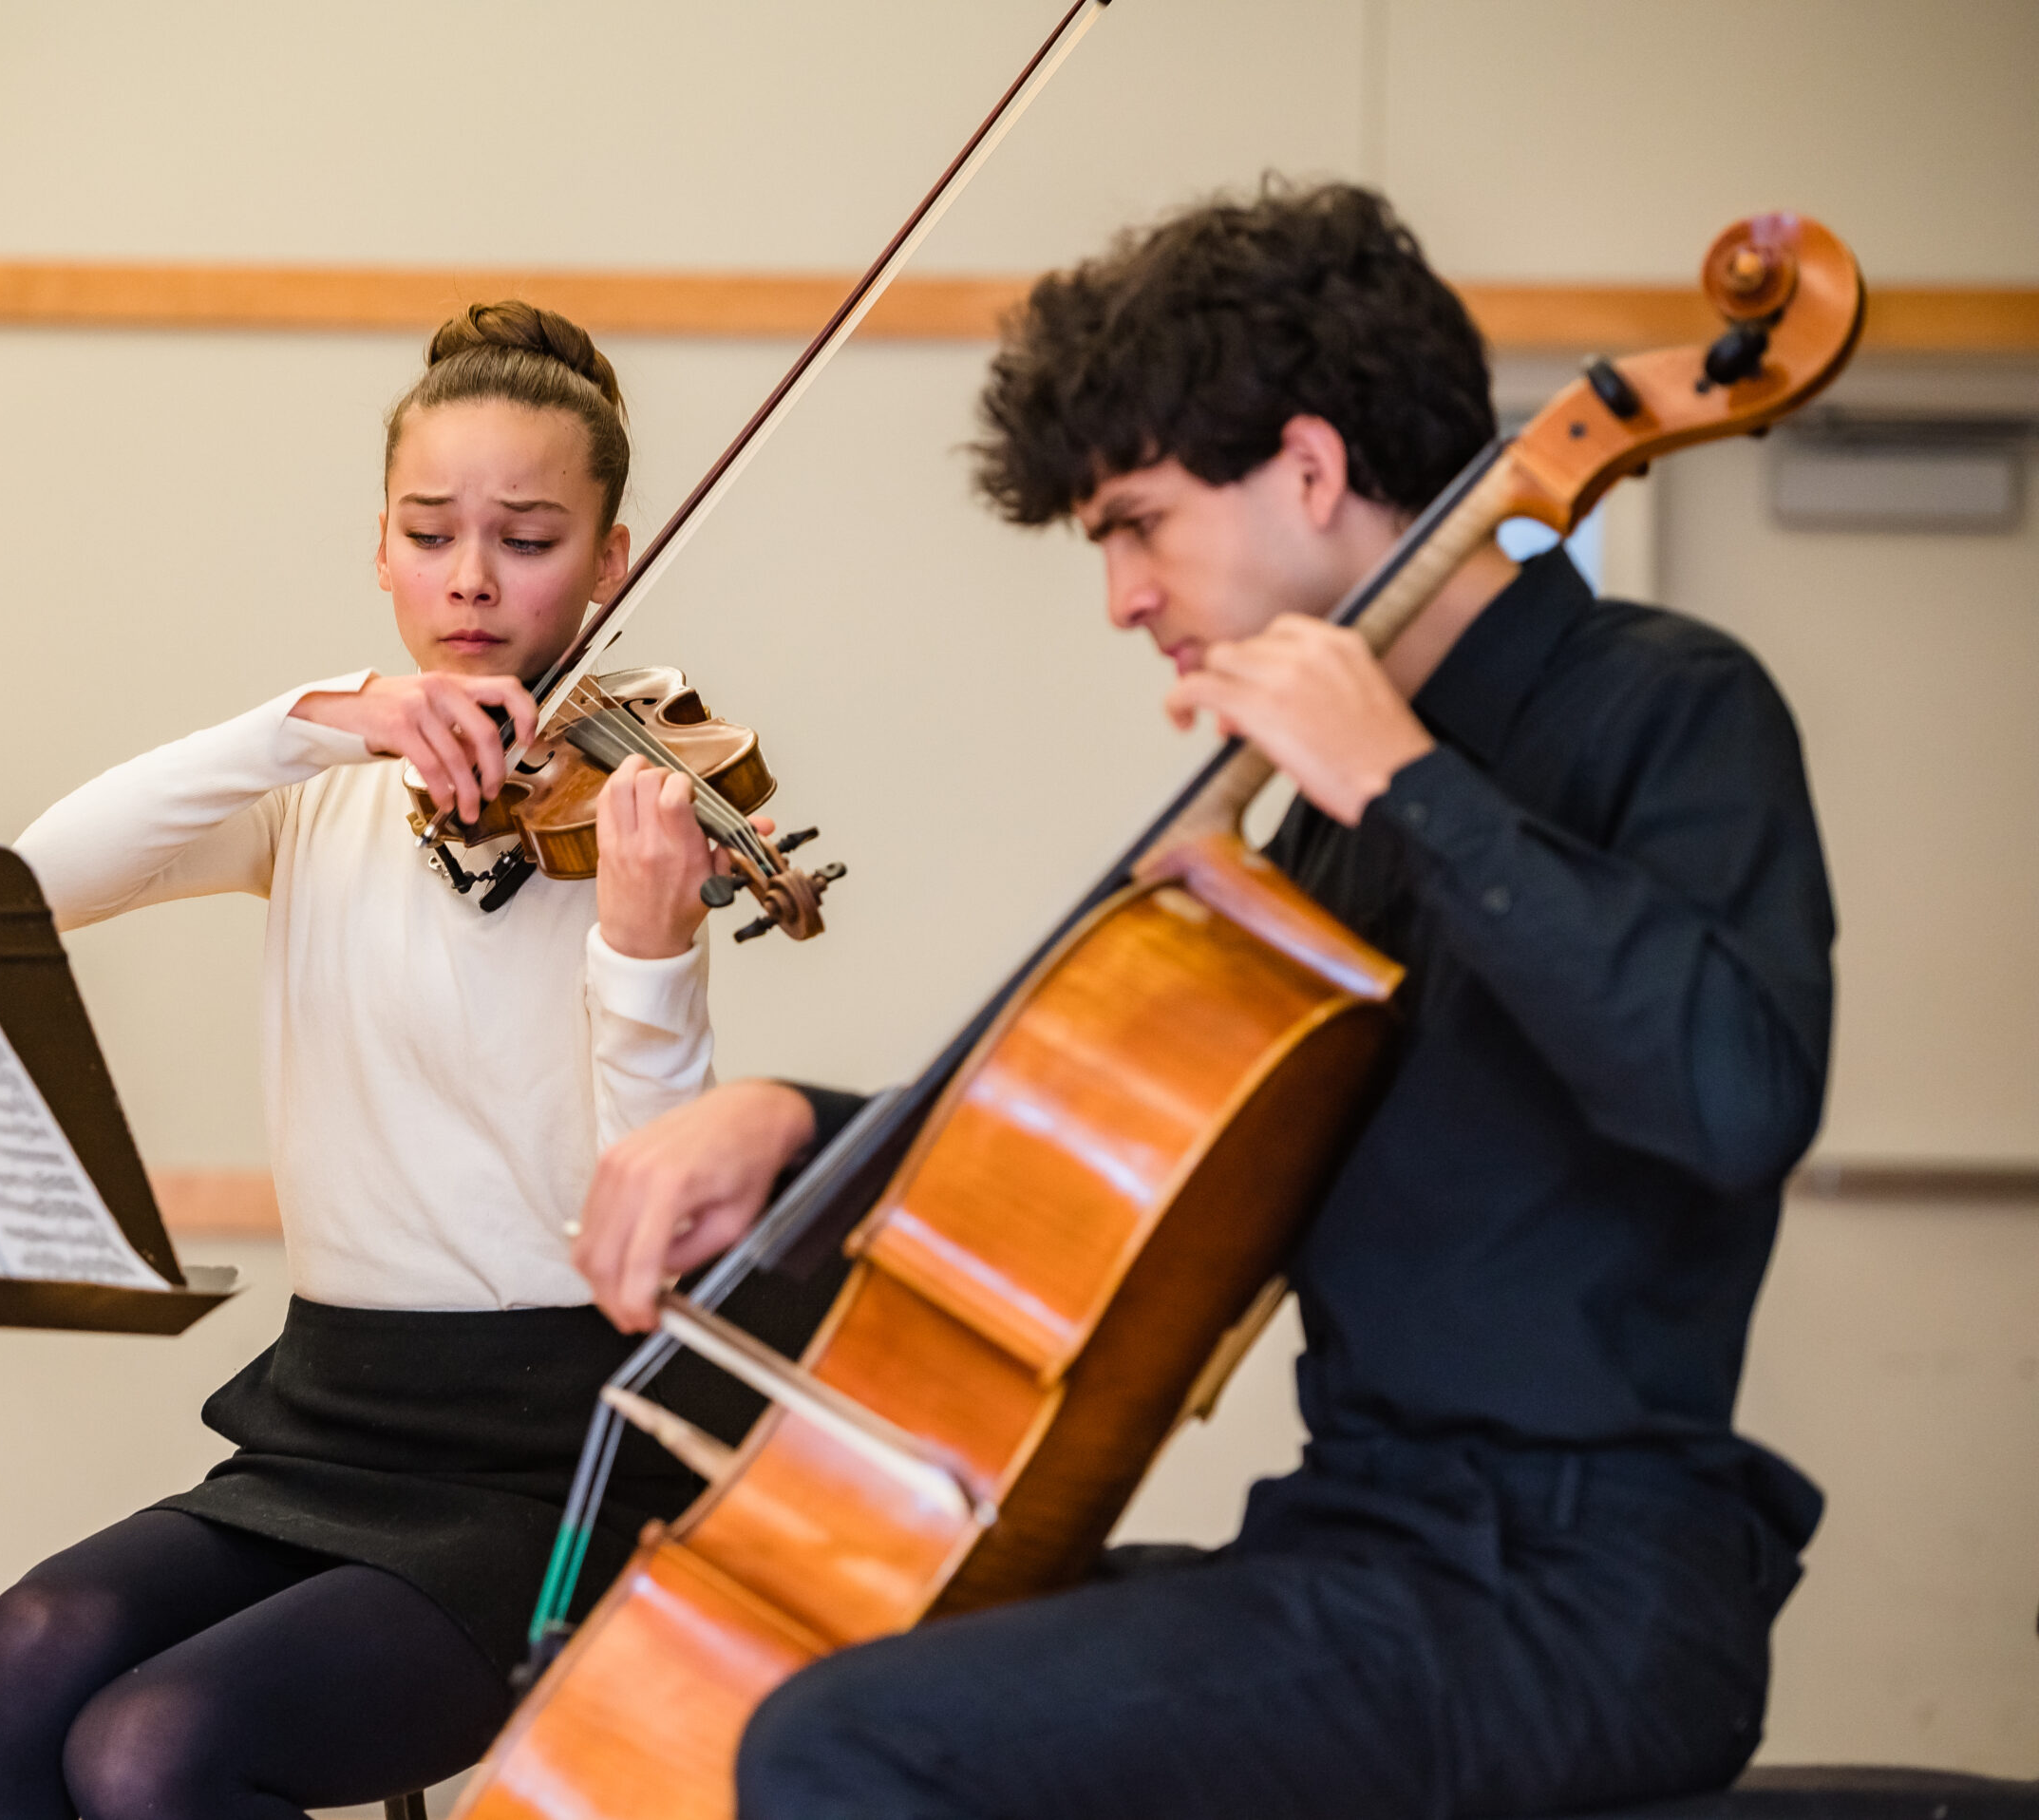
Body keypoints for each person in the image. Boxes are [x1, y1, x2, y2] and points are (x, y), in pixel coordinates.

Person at [570, 182, 1837, 1819]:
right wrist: (794, 1130)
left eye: (1138, 524)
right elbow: (1118, 1147)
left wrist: (1406, 782)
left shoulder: (1668, 712)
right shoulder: (1311, 815)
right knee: (789, 1664)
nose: (1122, 597)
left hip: (1581, 1597)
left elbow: (1734, 1103)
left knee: (851, 1748)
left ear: (1310, 470)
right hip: (1364, 1547)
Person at [0, 302, 752, 1820]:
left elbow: (660, 1207)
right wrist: (311, 721)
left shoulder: (631, 816)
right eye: (432, 533)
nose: (474, 577)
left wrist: (645, 948)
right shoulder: (319, 797)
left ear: (612, 562)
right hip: (327, 1421)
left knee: (154, 1748)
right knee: (41, 1638)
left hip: (553, 1461)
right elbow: (36, 878)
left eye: (532, 537)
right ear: (382, 549)